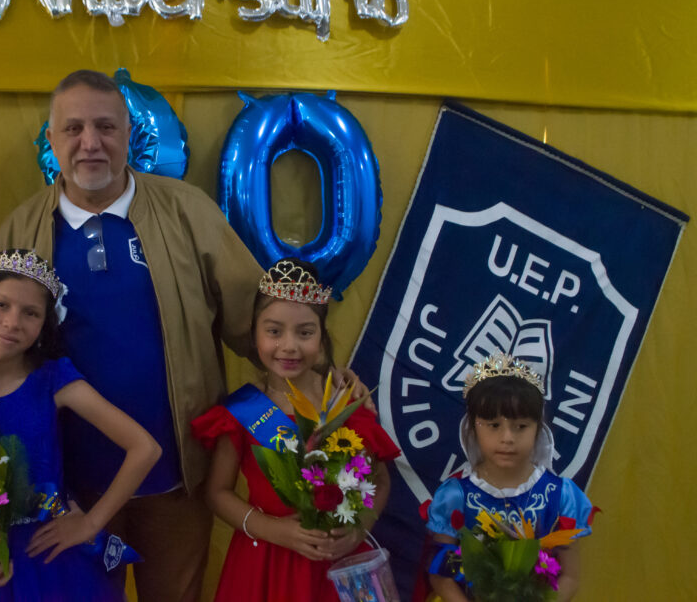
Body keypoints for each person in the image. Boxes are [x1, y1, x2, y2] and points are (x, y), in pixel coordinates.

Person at [0, 69, 267, 601]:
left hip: (176, 481)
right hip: (65, 493)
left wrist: (315, 386)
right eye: (72, 129)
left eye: (105, 127)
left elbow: (256, 321)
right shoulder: (19, 233)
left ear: (128, 135)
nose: (90, 143)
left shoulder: (187, 211)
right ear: (51, 140)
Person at [0, 249, 162, 601]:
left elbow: (145, 448)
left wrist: (91, 523)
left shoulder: (54, 379)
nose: (12, 322)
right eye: (1, 305)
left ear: (43, 326)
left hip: (49, 558)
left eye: (31, 313)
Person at [191, 258, 399, 602]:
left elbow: (380, 477)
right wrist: (274, 529)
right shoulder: (242, 412)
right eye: (274, 331)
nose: (289, 346)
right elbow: (217, 493)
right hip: (265, 562)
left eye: (305, 333)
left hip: (340, 566)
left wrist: (361, 525)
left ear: (322, 336)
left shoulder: (345, 402)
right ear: (254, 335)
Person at [425, 353, 595, 601]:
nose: (507, 438)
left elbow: (570, 577)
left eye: (521, 426)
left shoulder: (561, 496)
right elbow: (442, 573)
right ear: (472, 427)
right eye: (493, 425)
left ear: (538, 427)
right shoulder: (454, 496)